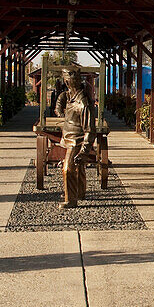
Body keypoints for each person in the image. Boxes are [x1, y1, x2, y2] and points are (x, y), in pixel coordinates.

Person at [56, 68, 97, 208]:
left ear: (68, 82)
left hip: (76, 140)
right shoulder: (70, 98)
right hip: (68, 138)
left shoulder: (83, 103)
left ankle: (71, 200)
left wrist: (84, 151)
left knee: (68, 169)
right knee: (79, 168)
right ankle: (79, 192)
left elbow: (90, 130)